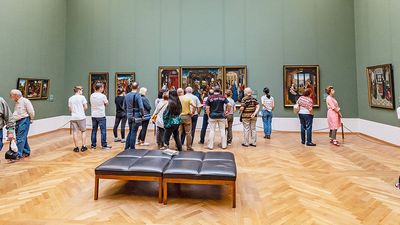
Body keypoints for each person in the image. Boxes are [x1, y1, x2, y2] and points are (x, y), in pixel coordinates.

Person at [10, 89, 35, 158]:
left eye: (11, 95)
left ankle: (18, 154)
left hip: (24, 120)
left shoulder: (25, 101)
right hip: (18, 121)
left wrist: (32, 118)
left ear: (16, 95)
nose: (10, 97)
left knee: (20, 137)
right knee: (23, 137)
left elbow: (31, 111)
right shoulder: (17, 102)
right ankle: (26, 151)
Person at [90, 83, 111, 150]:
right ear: (100, 88)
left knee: (94, 130)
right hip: (101, 115)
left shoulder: (92, 95)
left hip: (93, 115)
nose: (103, 89)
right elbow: (107, 104)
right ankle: (104, 145)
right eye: (103, 87)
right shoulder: (103, 96)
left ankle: (93, 145)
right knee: (103, 131)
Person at [68, 86, 88, 152]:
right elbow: (86, 107)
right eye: (82, 89)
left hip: (73, 117)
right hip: (81, 117)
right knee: (83, 131)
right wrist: (81, 111)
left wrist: (75, 112)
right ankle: (83, 146)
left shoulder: (70, 98)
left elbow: (70, 109)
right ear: (79, 90)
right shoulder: (82, 97)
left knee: (75, 132)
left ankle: (76, 147)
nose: (82, 91)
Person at [125, 82, 144, 150]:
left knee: (130, 131)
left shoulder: (127, 95)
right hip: (136, 115)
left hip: (129, 115)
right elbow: (141, 107)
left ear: (131, 87)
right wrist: (142, 114)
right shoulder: (137, 95)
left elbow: (125, 106)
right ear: (138, 87)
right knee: (134, 132)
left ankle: (126, 147)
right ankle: (132, 148)